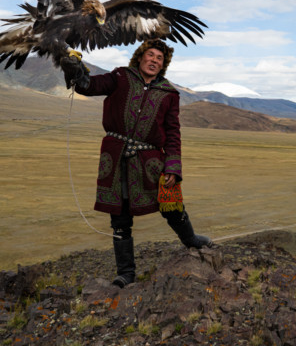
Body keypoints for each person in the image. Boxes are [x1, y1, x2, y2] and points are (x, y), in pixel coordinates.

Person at [60, 39, 212, 288]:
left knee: (171, 205)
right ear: (140, 57)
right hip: (116, 156)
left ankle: (191, 239)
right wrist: (74, 68)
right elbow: (88, 86)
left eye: (159, 58)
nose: (154, 60)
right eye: (150, 55)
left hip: (151, 160)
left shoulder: (169, 93)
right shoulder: (120, 76)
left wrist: (173, 166)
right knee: (119, 216)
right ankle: (126, 273)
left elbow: (173, 132)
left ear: (163, 64)